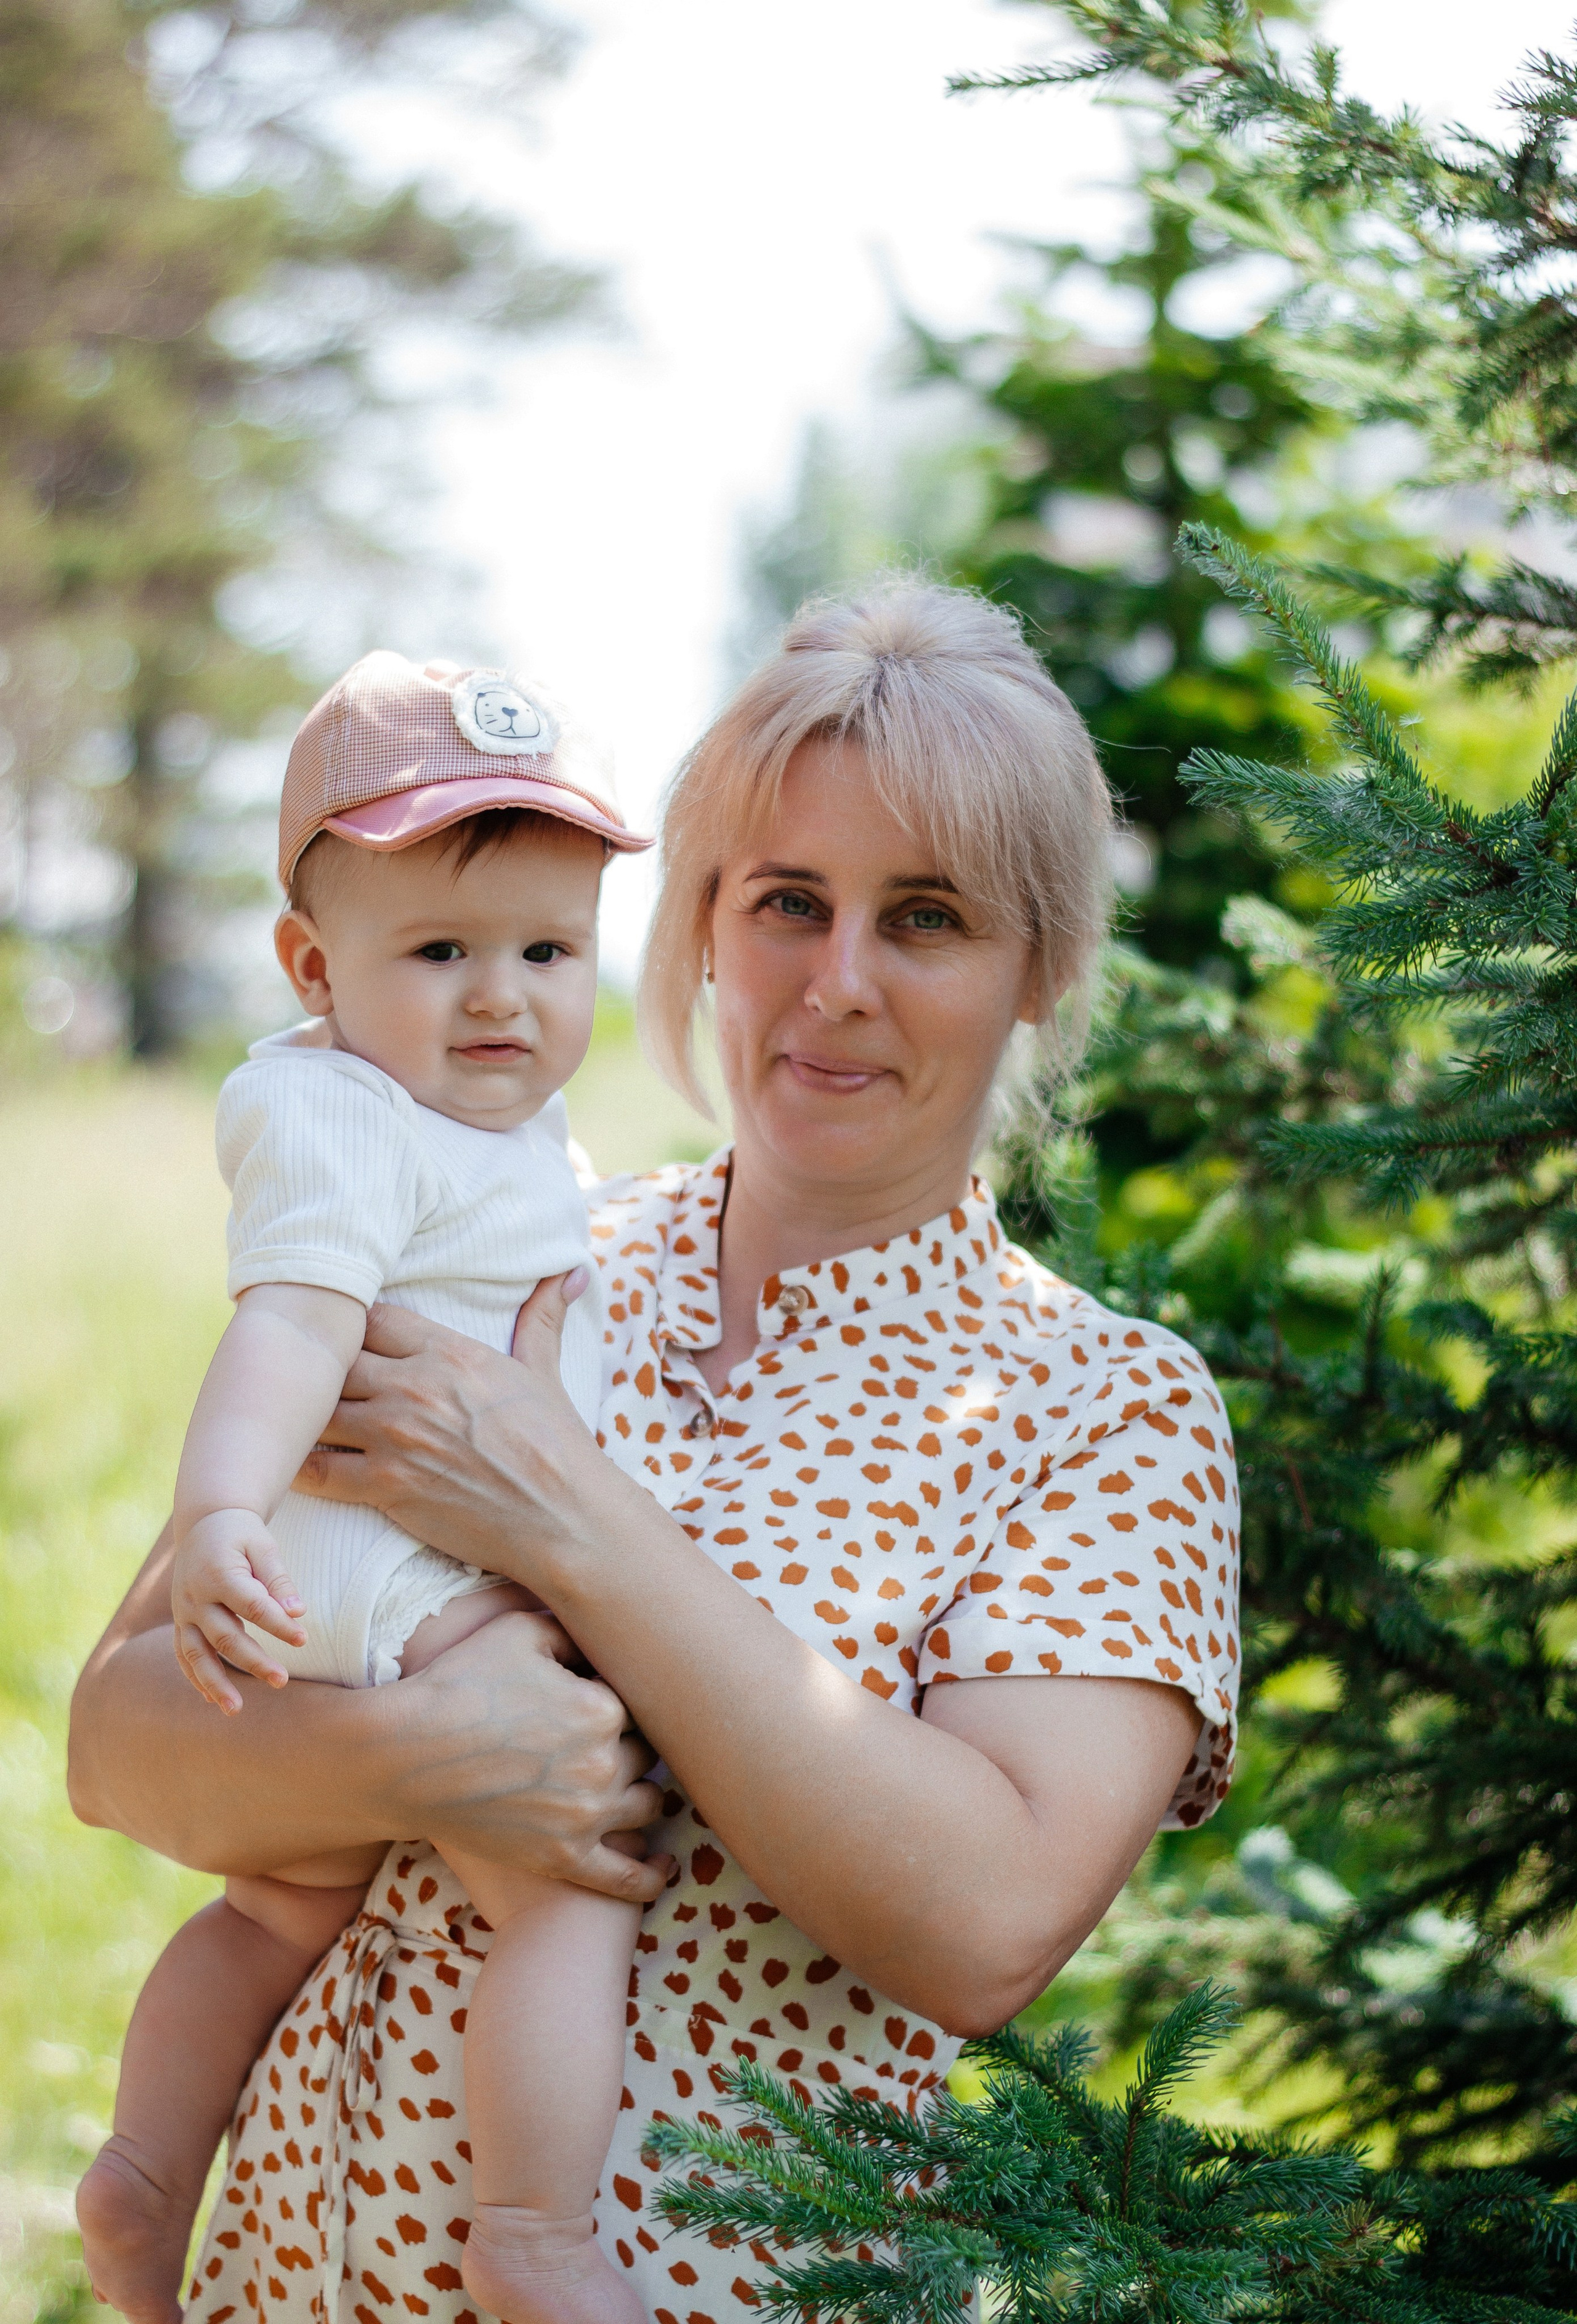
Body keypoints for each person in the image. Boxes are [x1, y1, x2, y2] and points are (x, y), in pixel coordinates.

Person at [68, 579, 1241, 2324]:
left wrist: (568, 1516)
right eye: (786, 902)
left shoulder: (1103, 1409)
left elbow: (984, 1925)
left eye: (923, 916)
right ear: (700, 926)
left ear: (1039, 964)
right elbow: (124, 1743)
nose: (836, 982)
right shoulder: (504, 1255)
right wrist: (419, 1754)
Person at [75, 651, 656, 2324]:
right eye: (442, 952)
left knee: (282, 1897)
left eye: (548, 951)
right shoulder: (342, 1117)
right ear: (314, 968)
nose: (503, 998)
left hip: (393, 1547)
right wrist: (220, 1523)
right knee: (564, 1865)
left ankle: (140, 2174)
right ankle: (533, 2225)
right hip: (388, 1558)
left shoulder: (509, 1132)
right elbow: (291, 1326)